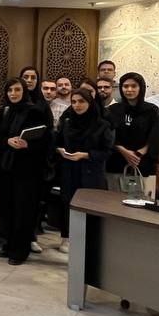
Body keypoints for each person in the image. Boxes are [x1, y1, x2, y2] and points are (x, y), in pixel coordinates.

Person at [0, 78, 51, 265]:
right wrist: (7, 141)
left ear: (24, 91)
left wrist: (28, 145)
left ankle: (20, 250)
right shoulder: (5, 111)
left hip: (28, 169)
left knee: (23, 210)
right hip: (7, 167)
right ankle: (9, 244)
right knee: (8, 208)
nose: (13, 94)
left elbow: (46, 140)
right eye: (10, 90)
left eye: (17, 90)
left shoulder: (36, 111)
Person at [56, 89, 113, 254]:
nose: (77, 105)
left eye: (81, 101)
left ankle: (91, 241)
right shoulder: (68, 122)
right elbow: (57, 142)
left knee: (90, 208)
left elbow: (107, 151)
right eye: (73, 102)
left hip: (91, 173)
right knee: (68, 203)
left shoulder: (102, 125)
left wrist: (86, 155)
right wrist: (60, 150)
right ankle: (67, 237)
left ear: (90, 103)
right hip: (69, 170)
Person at [106, 72, 159, 198]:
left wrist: (139, 153)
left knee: (143, 202)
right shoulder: (113, 110)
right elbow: (109, 135)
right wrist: (124, 151)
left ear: (141, 88)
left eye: (134, 86)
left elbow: (155, 134)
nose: (129, 90)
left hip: (142, 161)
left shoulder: (151, 110)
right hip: (117, 161)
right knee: (114, 202)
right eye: (125, 86)